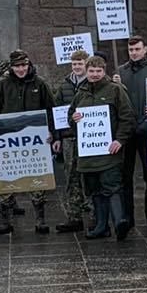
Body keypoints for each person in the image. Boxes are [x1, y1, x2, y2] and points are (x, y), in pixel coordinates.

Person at [0, 50, 55, 234]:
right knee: (6, 180)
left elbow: (51, 109)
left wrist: (52, 132)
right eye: (17, 66)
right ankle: (6, 221)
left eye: (24, 65)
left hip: (34, 142)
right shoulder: (3, 85)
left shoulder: (40, 84)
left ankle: (40, 220)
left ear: (29, 65)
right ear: (11, 67)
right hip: (8, 141)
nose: (21, 69)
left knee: (38, 181)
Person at [71, 55, 136, 240]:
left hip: (109, 151)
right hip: (88, 154)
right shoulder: (81, 93)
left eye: (98, 71)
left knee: (112, 186)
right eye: (91, 71)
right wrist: (74, 120)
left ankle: (119, 222)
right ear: (87, 71)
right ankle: (101, 226)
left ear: (104, 71)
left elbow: (127, 117)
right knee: (94, 190)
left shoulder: (115, 90)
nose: (94, 74)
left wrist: (120, 140)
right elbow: (71, 119)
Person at [115, 36, 147, 228]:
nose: (133, 53)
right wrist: (114, 83)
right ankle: (127, 215)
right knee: (125, 175)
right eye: (131, 50)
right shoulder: (120, 72)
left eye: (137, 49)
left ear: (145, 50)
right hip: (126, 131)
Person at [53, 50, 91, 233]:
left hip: (90, 137)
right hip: (69, 138)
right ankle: (74, 216)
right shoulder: (64, 86)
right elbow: (57, 111)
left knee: (89, 176)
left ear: (86, 64)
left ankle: (93, 216)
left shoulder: (93, 83)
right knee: (71, 177)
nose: (76, 67)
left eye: (80, 63)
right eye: (74, 64)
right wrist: (58, 137)